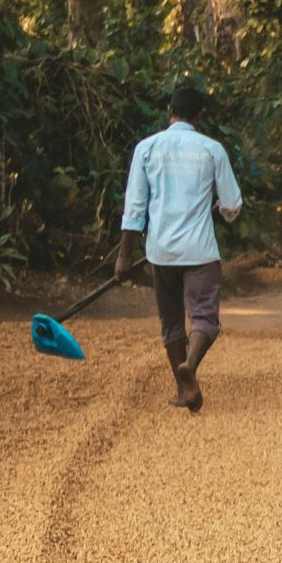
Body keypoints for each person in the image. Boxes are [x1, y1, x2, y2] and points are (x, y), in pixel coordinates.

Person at [114, 86, 243, 413]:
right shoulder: (212, 149)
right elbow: (232, 205)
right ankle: (191, 366)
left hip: (160, 251)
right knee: (204, 317)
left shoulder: (147, 148)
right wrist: (222, 212)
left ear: (169, 109)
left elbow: (135, 207)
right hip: (199, 251)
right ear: (200, 115)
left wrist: (124, 256)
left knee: (171, 321)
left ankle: (182, 386)